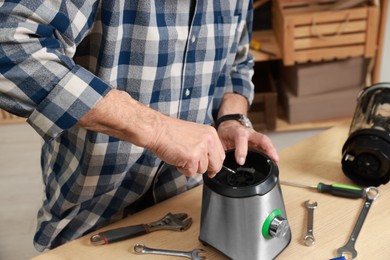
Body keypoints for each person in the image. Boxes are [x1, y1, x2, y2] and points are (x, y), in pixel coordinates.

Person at [0, 0, 279, 251]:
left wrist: (230, 118)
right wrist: (158, 130)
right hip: (91, 216)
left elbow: (238, 63)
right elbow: (9, 44)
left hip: (188, 204)